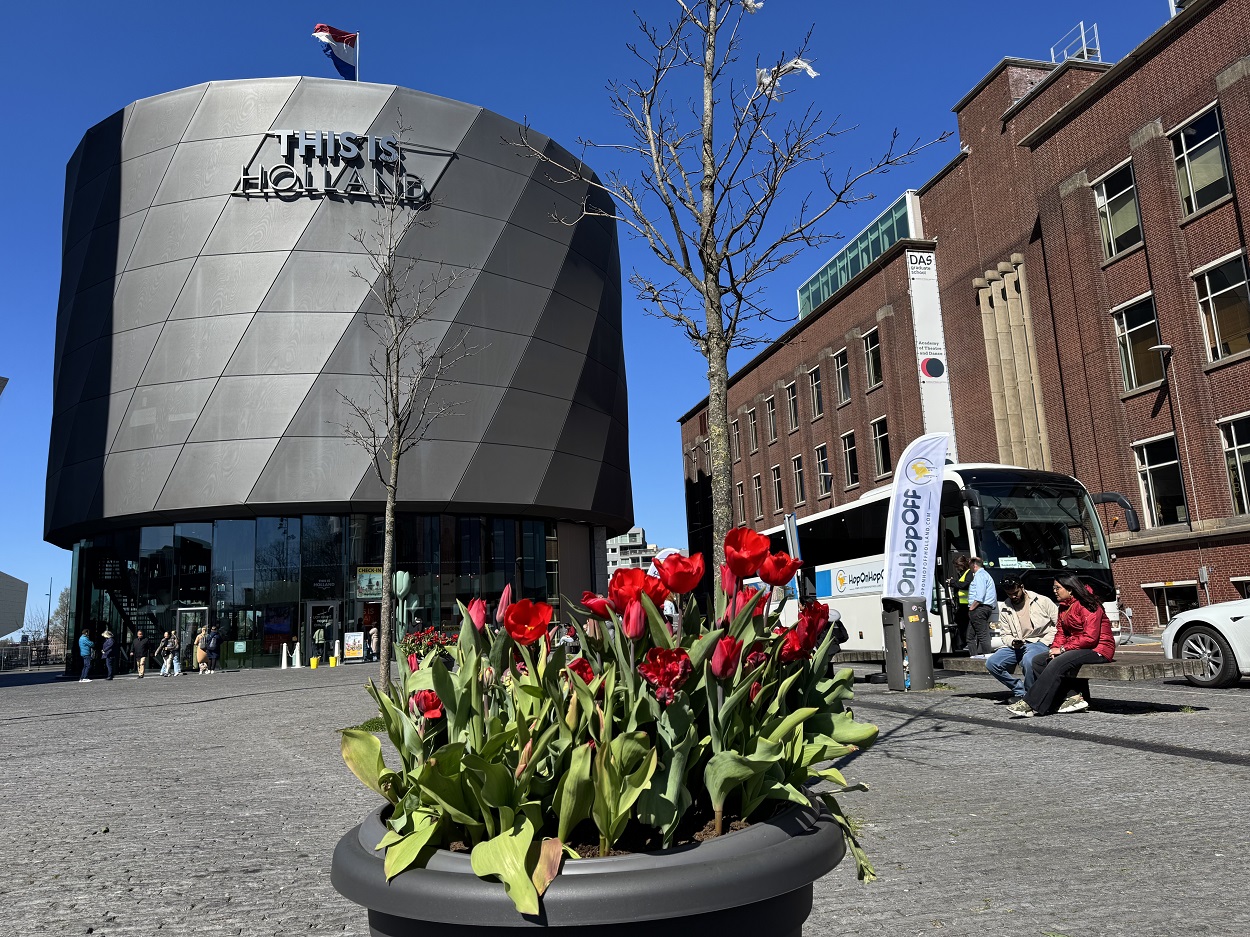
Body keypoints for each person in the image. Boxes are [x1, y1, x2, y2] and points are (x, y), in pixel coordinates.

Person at [1008, 575, 1115, 717]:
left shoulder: (1088, 605)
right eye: (1054, 587)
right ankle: (1071, 698)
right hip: (1078, 647)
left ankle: (1029, 704)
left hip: (1098, 649)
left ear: (1070, 589)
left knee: (1058, 662)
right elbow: (1061, 632)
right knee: (1039, 661)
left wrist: (1063, 649)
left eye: (1058, 588)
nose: (1054, 591)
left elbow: (1091, 638)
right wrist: (1055, 648)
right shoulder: (1064, 607)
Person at [985, 578, 1057, 701]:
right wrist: (1012, 642)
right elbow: (1005, 634)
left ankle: (1031, 696)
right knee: (992, 663)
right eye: (1009, 594)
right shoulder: (1005, 607)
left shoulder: (1042, 601)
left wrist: (1049, 641)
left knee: (1029, 660)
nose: (1013, 596)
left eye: (1015, 593)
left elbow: (1059, 624)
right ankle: (1020, 691)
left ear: (1022, 587)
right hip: (1018, 644)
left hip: (1039, 641)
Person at [965, 557, 998, 658]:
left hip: (979, 608)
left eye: (969, 565)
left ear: (974, 565)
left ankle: (987, 661)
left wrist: (972, 608)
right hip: (982, 608)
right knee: (970, 637)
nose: (968, 568)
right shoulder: (985, 575)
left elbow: (980, 595)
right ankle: (974, 659)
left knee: (983, 636)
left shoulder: (980, 576)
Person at [946, 555, 972, 652]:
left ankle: (966, 643)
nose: (957, 568)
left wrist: (953, 582)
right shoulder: (963, 573)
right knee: (960, 623)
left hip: (967, 604)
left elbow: (964, 585)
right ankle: (962, 643)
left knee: (965, 624)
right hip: (962, 603)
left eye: (958, 566)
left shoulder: (969, 573)